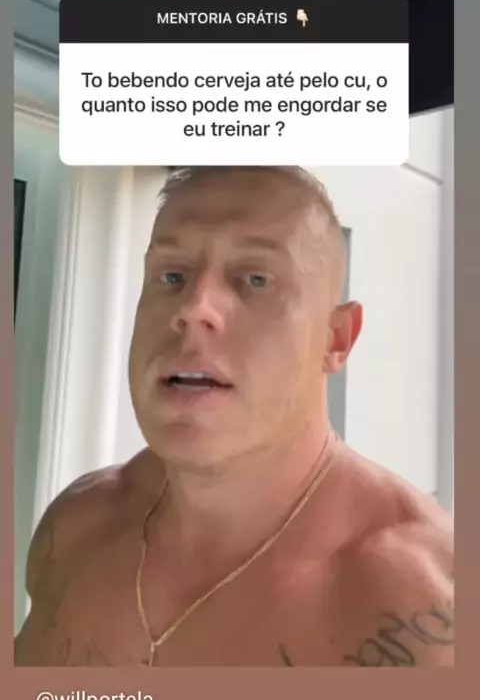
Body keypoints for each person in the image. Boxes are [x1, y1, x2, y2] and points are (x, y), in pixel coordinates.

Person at [14, 166, 453, 667]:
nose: (194, 307)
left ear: (336, 339)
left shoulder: (432, 606)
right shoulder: (76, 527)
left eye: (256, 280)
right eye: (172, 276)